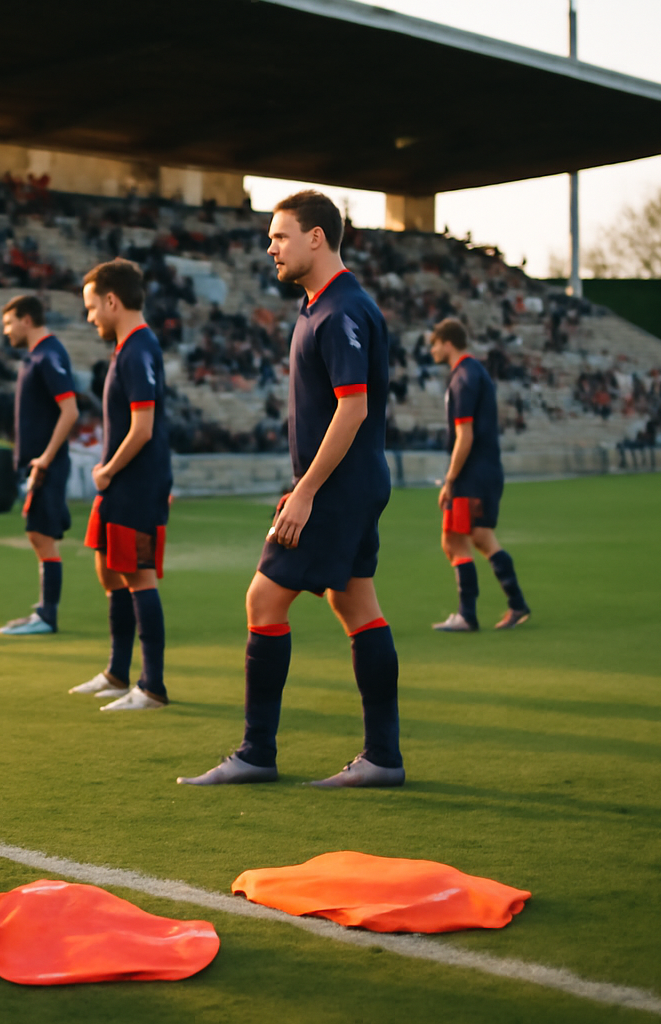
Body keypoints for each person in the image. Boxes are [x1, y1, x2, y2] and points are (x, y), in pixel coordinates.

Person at [179, 190, 403, 788]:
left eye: (280, 235)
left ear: (317, 238)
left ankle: (257, 753)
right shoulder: (319, 307)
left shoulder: (340, 311)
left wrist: (304, 492)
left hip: (337, 488)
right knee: (356, 605)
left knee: (263, 600)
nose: (270, 246)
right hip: (347, 484)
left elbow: (351, 410)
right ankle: (383, 757)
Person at [66, 259, 173, 712]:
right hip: (119, 485)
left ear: (112, 301)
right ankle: (117, 671)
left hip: (137, 484)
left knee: (137, 575)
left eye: (92, 307)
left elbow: (143, 426)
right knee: (108, 568)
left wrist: (108, 469)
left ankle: (151, 687)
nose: (90, 317)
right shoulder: (127, 347)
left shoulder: (138, 349)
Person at [428, 318, 532, 631]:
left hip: (472, 475)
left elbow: (465, 435)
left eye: (434, 344)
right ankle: (514, 604)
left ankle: (469, 614)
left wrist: (449, 480)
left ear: (447, 343)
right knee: (474, 538)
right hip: (484, 471)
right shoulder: (474, 373)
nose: (432, 350)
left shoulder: (463, 377)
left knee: (461, 539)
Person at [0, 294, 79, 636]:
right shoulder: (34, 357)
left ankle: (47, 616)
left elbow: (70, 410)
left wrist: (44, 458)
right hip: (37, 466)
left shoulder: (48, 355)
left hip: (47, 464)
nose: (6, 331)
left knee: (42, 535)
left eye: (9, 322)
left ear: (26, 320)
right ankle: (43, 611)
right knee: (37, 533)